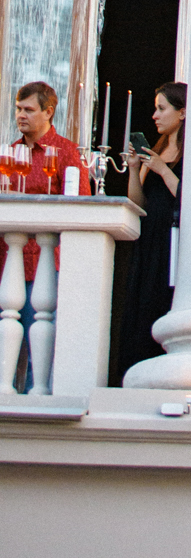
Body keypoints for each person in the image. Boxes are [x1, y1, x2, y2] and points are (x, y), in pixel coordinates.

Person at [2, 80, 89, 392]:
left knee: (37, 339)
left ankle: (34, 398)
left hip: (45, 263)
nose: (21, 115)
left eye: (28, 109)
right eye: (18, 109)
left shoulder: (65, 152)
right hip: (8, 261)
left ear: (48, 112)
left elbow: (81, 205)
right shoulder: (10, 153)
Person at [119, 81, 186, 377]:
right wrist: (135, 169)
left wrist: (162, 169)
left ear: (182, 112)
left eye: (161, 108)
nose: (155, 115)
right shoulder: (156, 149)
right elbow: (138, 203)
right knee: (142, 303)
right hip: (149, 238)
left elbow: (188, 196)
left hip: (173, 238)